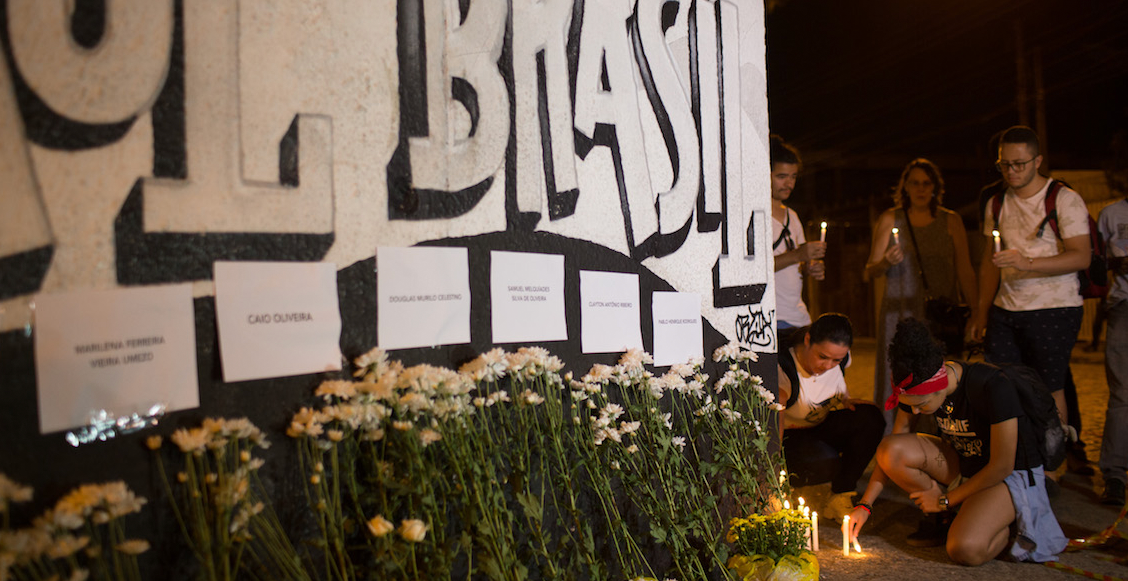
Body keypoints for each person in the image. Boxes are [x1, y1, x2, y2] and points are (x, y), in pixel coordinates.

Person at [848, 318, 1067, 565]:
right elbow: (892, 445)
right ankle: (953, 515)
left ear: (940, 388)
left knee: (965, 549)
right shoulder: (918, 388)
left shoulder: (992, 386)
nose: (916, 413)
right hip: (966, 465)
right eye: (911, 407)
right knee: (891, 450)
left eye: (921, 406)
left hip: (1009, 476)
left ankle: (1006, 526)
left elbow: (1003, 464)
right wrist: (865, 505)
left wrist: (944, 501)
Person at [968, 126, 1091, 452]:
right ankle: (1015, 458)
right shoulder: (995, 202)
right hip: (1007, 309)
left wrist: (1028, 263)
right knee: (1002, 385)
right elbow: (987, 261)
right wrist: (981, 311)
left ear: (1037, 161)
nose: (1011, 171)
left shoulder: (1064, 199)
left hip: (1055, 306)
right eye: (1004, 164)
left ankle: (1052, 465)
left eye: (1019, 164)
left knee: (1050, 387)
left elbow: (1081, 255)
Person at [864, 158, 977, 431]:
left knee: (937, 378)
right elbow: (869, 271)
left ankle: (939, 438)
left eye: (927, 183)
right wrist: (886, 262)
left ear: (936, 187)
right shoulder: (891, 218)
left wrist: (976, 313)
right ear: (905, 187)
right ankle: (893, 439)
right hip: (899, 316)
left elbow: (965, 269)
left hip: (938, 317)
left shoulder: (951, 221)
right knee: (898, 378)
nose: (921, 189)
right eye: (914, 183)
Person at [778, 313, 885, 521]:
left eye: (836, 360)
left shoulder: (842, 359)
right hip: (790, 438)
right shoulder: (784, 370)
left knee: (870, 418)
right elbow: (775, 433)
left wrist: (846, 399)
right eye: (822, 357)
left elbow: (834, 383)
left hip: (819, 425)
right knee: (826, 462)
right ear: (808, 340)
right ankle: (791, 488)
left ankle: (841, 495)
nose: (828, 366)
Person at [770, 135, 826, 329]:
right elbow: (757, 269)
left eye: (793, 176)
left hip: (799, 315)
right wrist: (798, 255)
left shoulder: (792, 215)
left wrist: (812, 267)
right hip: (773, 316)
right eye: (781, 177)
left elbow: (801, 262)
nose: (789, 184)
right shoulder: (757, 217)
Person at [1097, 193, 1128, 505]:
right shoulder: (1111, 214)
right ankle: (1115, 474)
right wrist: (1113, 263)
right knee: (1122, 392)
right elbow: (1092, 261)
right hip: (1123, 305)